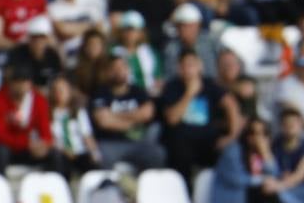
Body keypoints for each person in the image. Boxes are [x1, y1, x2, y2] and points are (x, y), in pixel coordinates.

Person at [158, 49, 242, 183]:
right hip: (181, 142)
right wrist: (189, 93)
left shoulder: (209, 85)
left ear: (200, 66)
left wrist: (232, 135)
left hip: (207, 140)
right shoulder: (172, 87)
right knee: (178, 149)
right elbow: (172, 119)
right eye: (185, 65)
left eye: (192, 65)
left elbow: (231, 105)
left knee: (230, 151)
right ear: (179, 68)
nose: (189, 69)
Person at [0, 62, 67, 177]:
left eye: (24, 82)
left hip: (24, 149)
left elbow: (46, 132)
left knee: (55, 155)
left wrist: (43, 145)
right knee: (2, 152)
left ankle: (54, 188)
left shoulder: (38, 101)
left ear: (30, 83)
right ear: (10, 83)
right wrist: (27, 143)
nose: (21, 86)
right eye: (18, 82)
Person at [89, 54, 165, 171]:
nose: (119, 71)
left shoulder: (138, 91)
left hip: (138, 141)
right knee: (102, 157)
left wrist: (114, 115)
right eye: (115, 68)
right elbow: (103, 121)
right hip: (111, 143)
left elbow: (147, 113)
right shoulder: (101, 93)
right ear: (108, 72)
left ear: (128, 70)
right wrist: (134, 119)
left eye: (122, 67)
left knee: (157, 153)